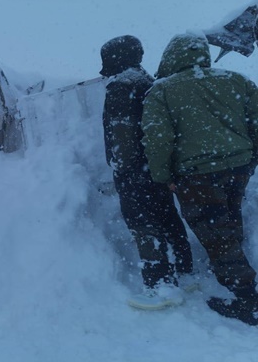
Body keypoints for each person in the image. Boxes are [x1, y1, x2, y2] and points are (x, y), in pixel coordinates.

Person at [142, 32, 258, 326]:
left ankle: (248, 299)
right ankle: (234, 272)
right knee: (228, 219)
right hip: (238, 165)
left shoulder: (162, 91)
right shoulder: (236, 80)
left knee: (215, 230)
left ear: (170, 57)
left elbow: (158, 138)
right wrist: (251, 158)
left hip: (197, 174)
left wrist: (163, 175)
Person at [100, 35, 194, 309]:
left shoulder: (120, 86)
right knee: (167, 218)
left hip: (134, 170)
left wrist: (122, 168)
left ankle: (159, 286)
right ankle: (185, 274)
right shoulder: (149, 82)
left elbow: (122, 134)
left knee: (143, 225)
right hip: (157, 166)